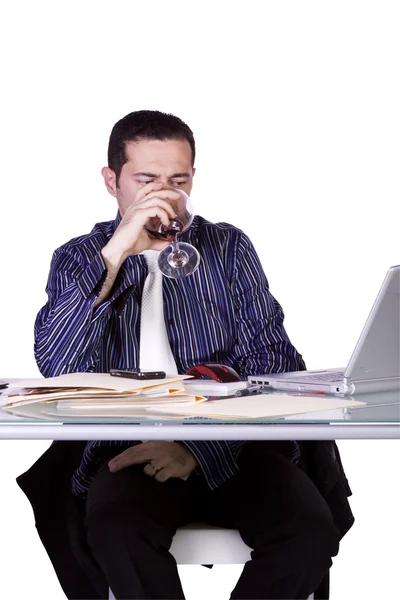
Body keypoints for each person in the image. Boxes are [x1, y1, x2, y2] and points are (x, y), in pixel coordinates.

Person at [17, 110, 354, 600]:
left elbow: (273, 364)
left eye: (177, 179)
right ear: (112, 181)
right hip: (127, 452)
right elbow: (57, 367)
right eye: (146, 179)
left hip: (237, 446)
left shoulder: (228, 248)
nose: (164, 194)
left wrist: (196, 450)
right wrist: (115, 255)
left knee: (309, 529)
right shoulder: (79, 257)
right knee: (115, 528)